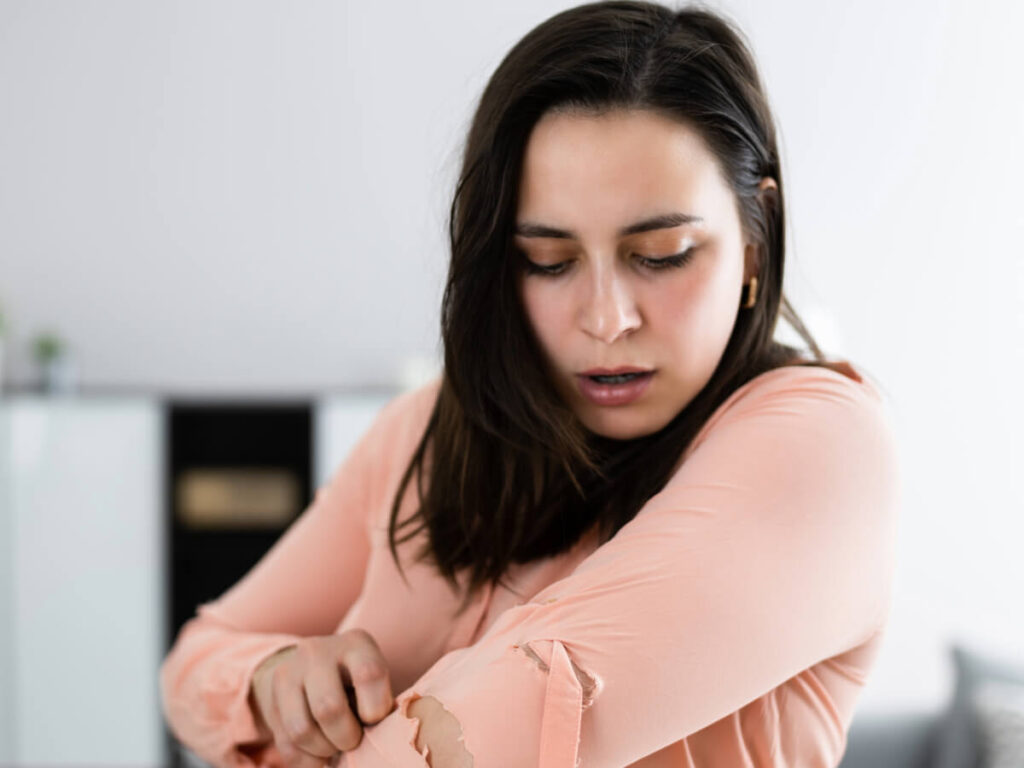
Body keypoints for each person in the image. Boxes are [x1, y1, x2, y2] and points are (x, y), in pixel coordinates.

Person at [159, 2, 901, 766]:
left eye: (662, 252)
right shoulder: (428, 430)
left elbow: (500, 728)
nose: (607, 319)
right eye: (548, 261)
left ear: (754, 241)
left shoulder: (822, 441)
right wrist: (275, 677)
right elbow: (198, 658)